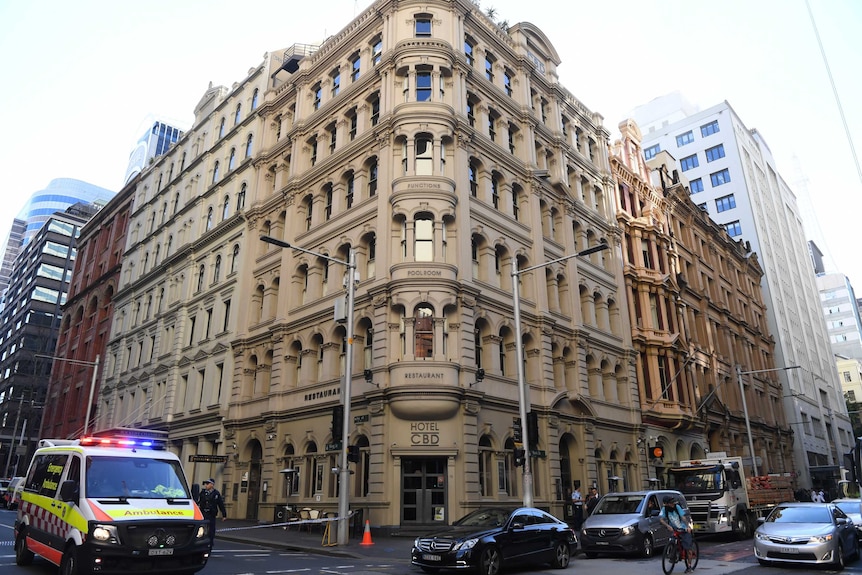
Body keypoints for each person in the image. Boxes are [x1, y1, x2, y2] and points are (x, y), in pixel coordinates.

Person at [659, 496, 694, 573]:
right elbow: (661, 519)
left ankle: (689, 566)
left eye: (673, 502)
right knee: (672, 540)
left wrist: (688, 526)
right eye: (671, 503)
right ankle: (673, 555)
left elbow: (683, 517)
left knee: (688, 548)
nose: (673, 504)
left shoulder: (677, 507)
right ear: (666, 504)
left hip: (683, 529)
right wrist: (668, 526)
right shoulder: (665, 509)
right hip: (674, 529)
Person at [198, 479, 227, 546]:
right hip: (203, 513)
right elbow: (198, 502)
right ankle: (202, 542)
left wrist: (224, 514)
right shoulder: (202, 493)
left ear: (212, 485)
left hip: (211, 514)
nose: (206, 485)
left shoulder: (216, 493)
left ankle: (210, 542)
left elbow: (220, 504)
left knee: (211, 529)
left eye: (208, 484)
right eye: (206, 484)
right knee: (202, 528)